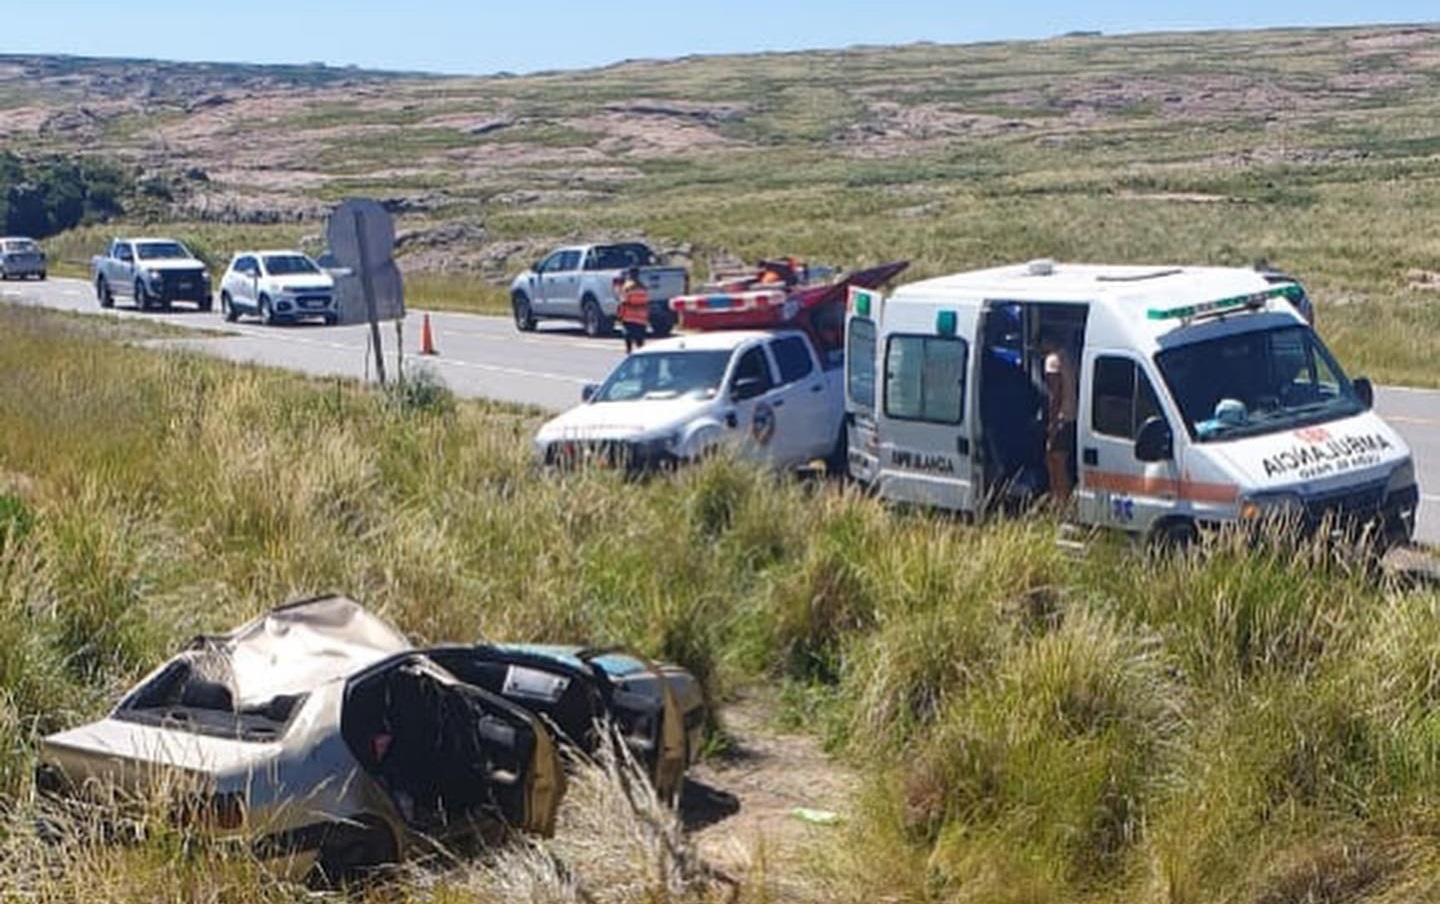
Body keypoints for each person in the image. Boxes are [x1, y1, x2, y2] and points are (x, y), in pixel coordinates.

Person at [1040, 328, 1079, 505]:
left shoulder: (1052, 360)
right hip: (1073, 416)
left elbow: (1055, 393)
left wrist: (1052, 421)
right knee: (1061, 460)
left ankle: (1061, 501)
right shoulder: (1068, 356)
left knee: (1055, 460)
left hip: (1062, 417)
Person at [617, 266, 650, 354]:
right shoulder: (643, 287)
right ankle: (641, 354)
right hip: (641, 318)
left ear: (630, 274)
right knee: (640, 340)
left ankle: (629, 351)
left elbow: (623, 302)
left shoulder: (627, 287)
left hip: (629, 317)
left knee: (628, 336)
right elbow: (646, 302)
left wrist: (620, 315)